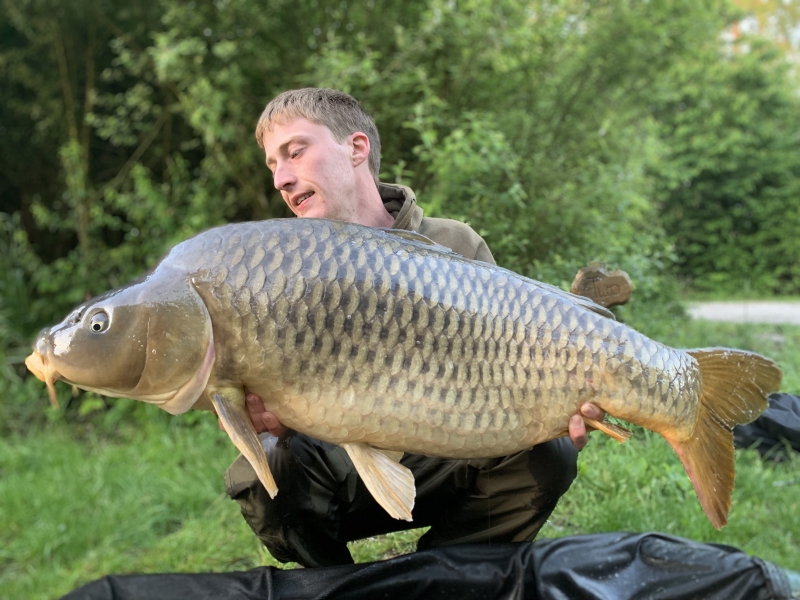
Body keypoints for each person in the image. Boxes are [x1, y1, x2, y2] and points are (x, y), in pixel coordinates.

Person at [222, 87, 606, 568]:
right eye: (272, 165)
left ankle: (445, 576)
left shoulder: (453, 243)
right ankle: (338, 585)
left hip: (448, 449)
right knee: (263, 473)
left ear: (356, 148)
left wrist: (559, 397)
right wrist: (276, 425)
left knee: (548, 453)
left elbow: (509, 369)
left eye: (295, 152)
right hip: (346, 468)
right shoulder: (281, 273)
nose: (280, 178)